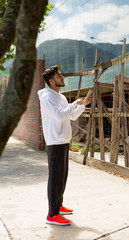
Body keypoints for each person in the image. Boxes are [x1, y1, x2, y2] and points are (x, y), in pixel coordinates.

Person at [38, 65, 91, 226]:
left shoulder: (60, 97)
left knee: (62, 177)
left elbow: (72, 116)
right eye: (59, 75)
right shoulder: (47, 97)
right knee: (55, 178)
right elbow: (60, 115)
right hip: (55, 142)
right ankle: (52, 215)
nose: (62, 77)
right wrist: (75, 102)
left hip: (64, 141)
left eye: (61, 74)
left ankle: (58, 206)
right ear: (51, 81)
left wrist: (82, 105)